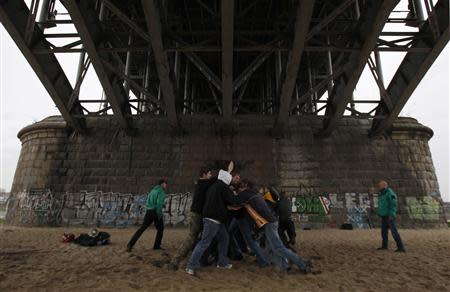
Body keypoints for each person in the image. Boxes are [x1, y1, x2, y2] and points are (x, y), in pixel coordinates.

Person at [238, 179, 311, 273]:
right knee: (272, 248)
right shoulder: (260, 196)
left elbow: (261, 215)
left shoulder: (256, 197)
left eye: (241, 187)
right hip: (272, 223)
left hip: (270, 224)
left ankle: (302, 263)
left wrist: (257, 231)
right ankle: (284, 268)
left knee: (278, 248)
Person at [185, 167, 240, 276]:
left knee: (225, 238)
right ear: (227, 180)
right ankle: (190, 266)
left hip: (214, 219)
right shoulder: (223, 187)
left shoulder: (214, 186)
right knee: (204, 243)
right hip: (213, 219)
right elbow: (233, 201)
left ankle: (222, 262)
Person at [169, 167, 216, 270]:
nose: (210, 175)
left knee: (198, 238)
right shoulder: (203, 183)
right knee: (191, 238)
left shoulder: (202, 183)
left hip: (198, 214)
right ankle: (175, 261)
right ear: (204, 174)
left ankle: (195, 259)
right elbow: (214, 180)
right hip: (197, 214)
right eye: (209, 174)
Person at [126, 179, 168, 252]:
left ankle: (130, 244)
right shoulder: (161, 191)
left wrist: (160, 205)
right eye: (165, 184)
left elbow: (149, 201)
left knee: (142, 228)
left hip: (149, 211)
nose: (166, 185)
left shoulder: (152, 191)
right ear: (162, 184)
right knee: (160, 229)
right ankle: (156, 246)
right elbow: (158, 204)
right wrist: (159, 214)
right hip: (156, 212)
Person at [376, 180, 406, 252]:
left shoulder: (389, 193)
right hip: (384, 215)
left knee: (394, 232)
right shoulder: (382, 194)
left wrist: (391, 214)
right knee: (384, 232)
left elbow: (393, 204)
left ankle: (401, 247)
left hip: (389, 215)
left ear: (384, 185)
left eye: (380, 185)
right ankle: (384, 246)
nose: (379, 187)